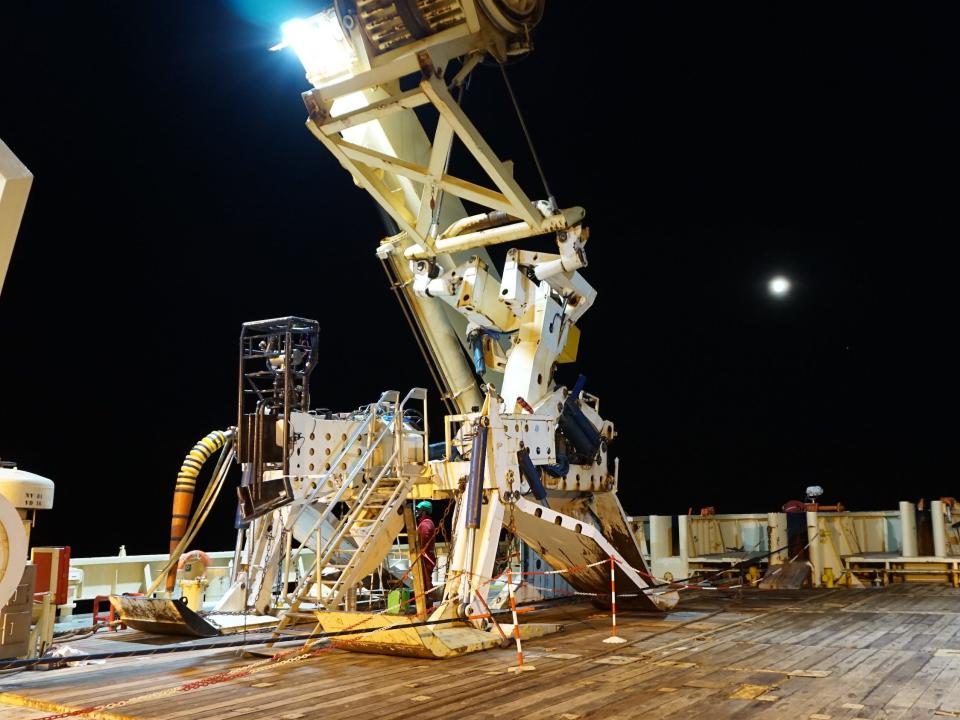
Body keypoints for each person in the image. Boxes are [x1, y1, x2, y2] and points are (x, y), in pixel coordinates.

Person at [415, 500, 437, 595]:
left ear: (424, 511)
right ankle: (427, 602)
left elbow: (426, 535)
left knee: (425, 582)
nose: (416, 512)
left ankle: (428, 603)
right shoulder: (426, 522)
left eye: (418, 510)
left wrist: (421, 548)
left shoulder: (425, 523)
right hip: (427, 556)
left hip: (426, 557)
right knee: (425, 581)